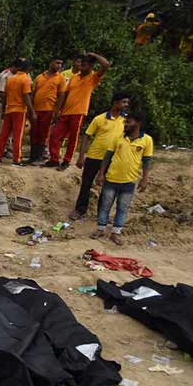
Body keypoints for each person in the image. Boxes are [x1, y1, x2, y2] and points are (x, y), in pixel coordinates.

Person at [92, 112, 152, 246]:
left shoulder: (147, 140)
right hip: (111, 179)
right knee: (105, 206)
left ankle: (116, 233)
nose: (125, 125)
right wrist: (101, 174)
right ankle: (100, 229)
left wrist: (145, 179)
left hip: (129, 181)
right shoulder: (118, 138)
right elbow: (107, 157)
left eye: (128, 122)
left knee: (122, 208)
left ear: (138, 124)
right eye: (125, 122)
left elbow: (147, 161)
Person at [69, 91, 130, 221]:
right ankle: (79, 210)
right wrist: (81, 156)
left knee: (107, 188)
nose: (126, 105)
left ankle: (102, 213)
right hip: (94, 157)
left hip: (113, 159)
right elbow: (86, 136)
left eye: (127, 102)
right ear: (115, 102)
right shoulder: (100, 118)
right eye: (124, 102)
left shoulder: (126, 120)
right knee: (86, 184)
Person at [48, 51, 110, 170]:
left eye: (85, 65)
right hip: (66, 112)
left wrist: (95, 55)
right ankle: (54, 159)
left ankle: (66, 160)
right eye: (81, 64)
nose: (81, 66)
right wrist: (58, 110)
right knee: (55, 135)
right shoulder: (74, 78)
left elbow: (106, 65)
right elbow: (65, 94)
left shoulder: (93, 77)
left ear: (91, 66)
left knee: (73, 138)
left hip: (78, 112)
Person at [0, 58, 37, 167]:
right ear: (28, 68)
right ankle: (16, 159)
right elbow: (26, 96)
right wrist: (32, 112)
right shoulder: (25, 79)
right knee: (18, 135)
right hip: (19, 111)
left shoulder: (11, 79)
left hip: (8, 109)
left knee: (3, 134)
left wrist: (3, 110)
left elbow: (5, 97)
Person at [29, 56, 67, 164]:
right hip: (36, 109)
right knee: (34, 132)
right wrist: (30, 109)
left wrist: (57, 110)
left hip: (49, 109)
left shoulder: (60, 78)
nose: (59, 65)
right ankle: (33, 156)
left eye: (61, 63)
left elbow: (61, 95)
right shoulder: (39, 77)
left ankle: (39, 157)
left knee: (43, 133)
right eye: (57, 62)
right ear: (51, 63)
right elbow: (33, 93)